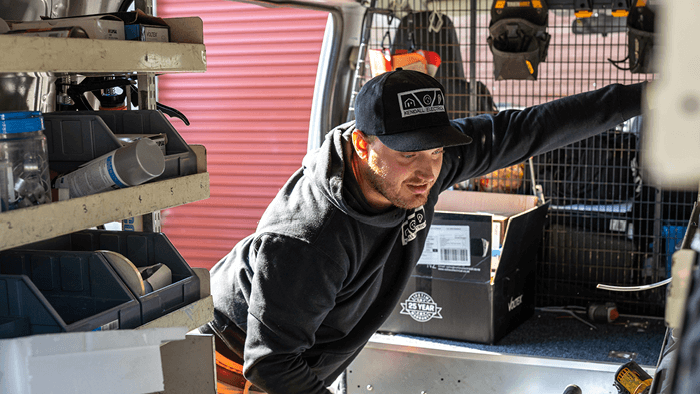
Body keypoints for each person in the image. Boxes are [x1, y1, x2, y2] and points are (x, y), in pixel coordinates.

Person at [200, 69, 645, 393]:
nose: (426, 173)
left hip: (299, 353)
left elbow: (525, 130)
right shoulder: (309, 236)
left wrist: (643, 98)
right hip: (232, 357)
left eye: (435, 152)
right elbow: (272, 365)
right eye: (409, 155)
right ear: (362, 144)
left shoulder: (424, 164)